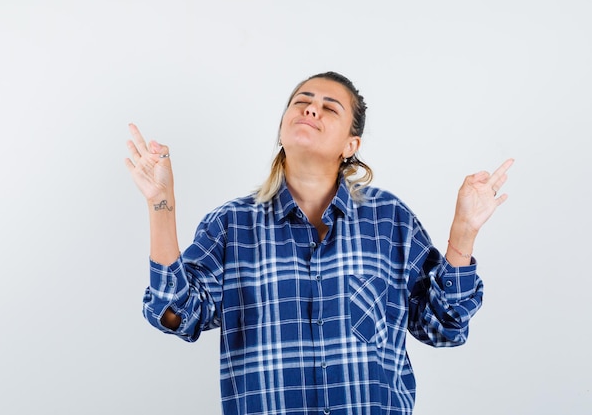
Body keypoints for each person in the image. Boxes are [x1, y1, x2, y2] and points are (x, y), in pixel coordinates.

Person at [125, 71, 514, 415]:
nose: (311, 110)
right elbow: (176, 314)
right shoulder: (231, 225)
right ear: (281, 131)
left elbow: (443, 327)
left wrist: (464, 231)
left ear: (351, 145)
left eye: (329, 108)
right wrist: (162, 204)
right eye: (302, 102)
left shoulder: (389, 219)